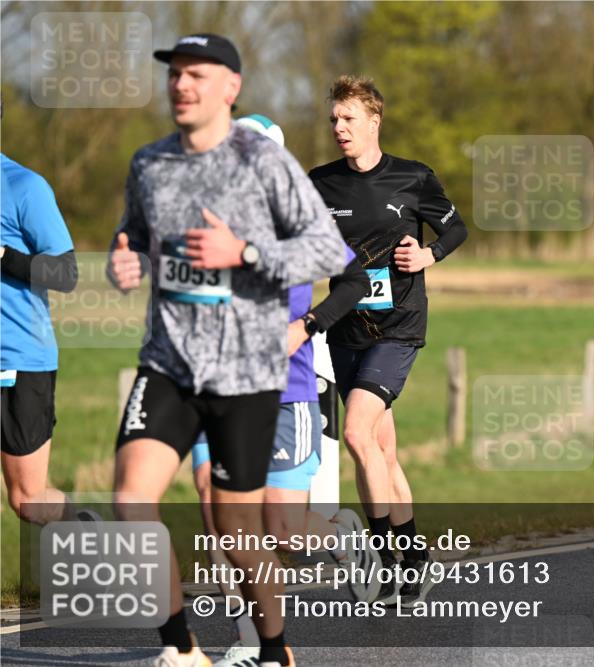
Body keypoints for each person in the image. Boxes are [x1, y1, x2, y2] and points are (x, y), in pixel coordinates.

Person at [106, 34, 349, 667]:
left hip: (246, 372)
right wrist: (124, 253)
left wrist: (244, 254)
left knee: (240, 534)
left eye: (197, 75)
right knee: (132, 498)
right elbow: (133, 227)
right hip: (169, 361)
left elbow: (326, 251)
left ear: (231, 89)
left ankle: (273, 647)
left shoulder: (266, 164)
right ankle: (181, 649)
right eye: (175, 74)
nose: (182, 85)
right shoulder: (149, 162)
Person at [190, 114, 375, 667]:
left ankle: (341, 534)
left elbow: (354, 282)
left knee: (284, 534)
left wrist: (307, 325)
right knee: (217, 510)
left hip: (286, 392)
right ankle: (255, 644)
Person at [309, 75, 468, 606]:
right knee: (380, 451)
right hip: (345, 327)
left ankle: (380, 556)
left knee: (356, 433)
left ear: (374, 122)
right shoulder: (319, 183)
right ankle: (416, 558)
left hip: (398, 327)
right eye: (333, 119)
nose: (339, 128)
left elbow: (455, 229)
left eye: (348, 119)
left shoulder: (413, 178)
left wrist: (428, 255)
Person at [1, 152, 80, 526]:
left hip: (16, 358)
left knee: (28, 500)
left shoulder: (24, 186)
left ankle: (87, 534)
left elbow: (66, 273)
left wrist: (3, 255)